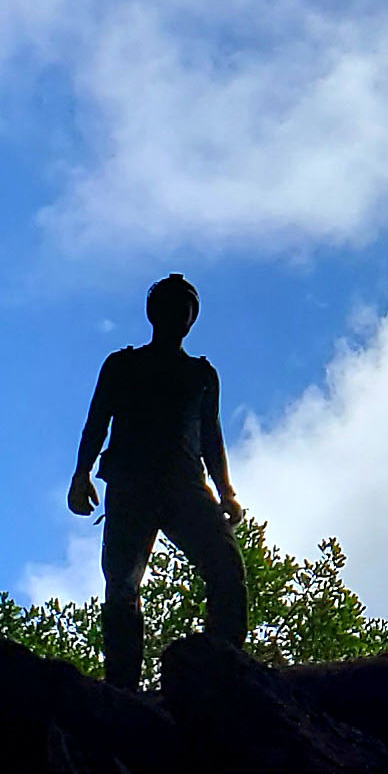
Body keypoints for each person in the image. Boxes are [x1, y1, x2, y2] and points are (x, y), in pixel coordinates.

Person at [68, 275, 251, 688]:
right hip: (131, 483)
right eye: (172, 305)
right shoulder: (122, 365)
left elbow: (211, 437)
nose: (179, 315)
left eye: (186, 308)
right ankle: (122, 686)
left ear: (192, 320)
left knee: (225, 568)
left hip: (185, 486)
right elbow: (97, 421)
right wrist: (81, 474)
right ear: (154, 313)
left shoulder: (201, 374)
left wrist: (226, 492)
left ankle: (225, 671)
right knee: (121, 585)